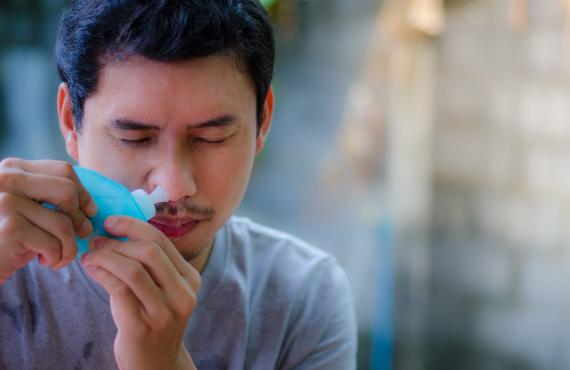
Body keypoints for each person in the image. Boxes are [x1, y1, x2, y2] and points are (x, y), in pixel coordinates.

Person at [0, 1, 357, 369]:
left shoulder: (303, 299)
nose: (172, 187)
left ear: (262, 120)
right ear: (71, 122)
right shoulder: (8, 264)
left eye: (212, 137)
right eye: (135, 138)